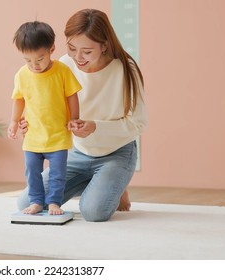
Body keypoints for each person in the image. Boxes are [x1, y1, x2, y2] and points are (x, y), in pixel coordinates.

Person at [17, 9, 147, 222]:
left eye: (87, 51)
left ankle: (114, 182)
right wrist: (27, 122)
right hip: (77, 152)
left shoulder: (125, 70)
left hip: (116, 152)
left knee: (94, 211)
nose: (78, 57)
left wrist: (96, 127)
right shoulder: (62, 66)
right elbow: (45, 105)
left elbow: (139, 123)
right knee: (28, 202)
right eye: (71, 48)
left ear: (104, 45)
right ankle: (103, 183)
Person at [9, 21, 82, 215]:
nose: (34, 65)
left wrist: (74, 118)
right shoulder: (22, 75)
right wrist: (14, 122)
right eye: (28, 60)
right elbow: (19, 99)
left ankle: (54, 203)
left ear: (52, 49)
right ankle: (36, 202)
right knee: (32, 173)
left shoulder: (62, 71)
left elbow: (72, 96)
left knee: (58, 174)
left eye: (40, 59)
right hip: (33, 137)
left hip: (57, 136)